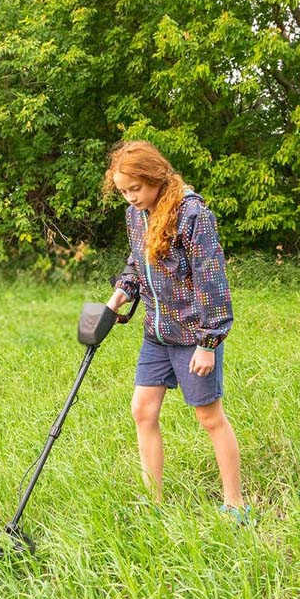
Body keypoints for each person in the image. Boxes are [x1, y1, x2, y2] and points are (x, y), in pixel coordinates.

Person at [102, 140, 254, 526]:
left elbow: (212, 280)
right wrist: (120, 294)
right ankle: (154, 500)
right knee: (142, 410)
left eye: (135, 188)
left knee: (209, 418)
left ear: (155, 178)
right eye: (123, 190)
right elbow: (139, 264)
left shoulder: (192, 214)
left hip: (193, 335)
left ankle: (235, 505)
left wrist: (208, 342)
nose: (130, 197)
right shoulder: (136, 215)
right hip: (157, 331)